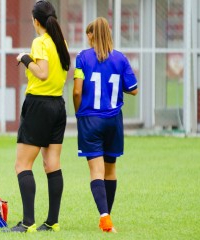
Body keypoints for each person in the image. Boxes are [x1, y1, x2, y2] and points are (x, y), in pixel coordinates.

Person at [73, 17, 138, 233]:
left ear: (91, 35)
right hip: (113, 121)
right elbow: (134, 89)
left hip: (90, 119)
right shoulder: (120, 59)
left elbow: (76, 90)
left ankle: (104, 217)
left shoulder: (82, 57)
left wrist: (78, 112)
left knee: (96, 172)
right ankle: (107, 218)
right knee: (110, 170)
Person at [10, 0, 70, 233]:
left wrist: (25, 58)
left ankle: (27, 222)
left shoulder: (40, 42)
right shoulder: (60, 41)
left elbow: (42, 74)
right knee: (52, 163)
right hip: (57, 105)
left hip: (38, 106)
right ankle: (52, 221)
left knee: (22, 164)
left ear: (36, 21)